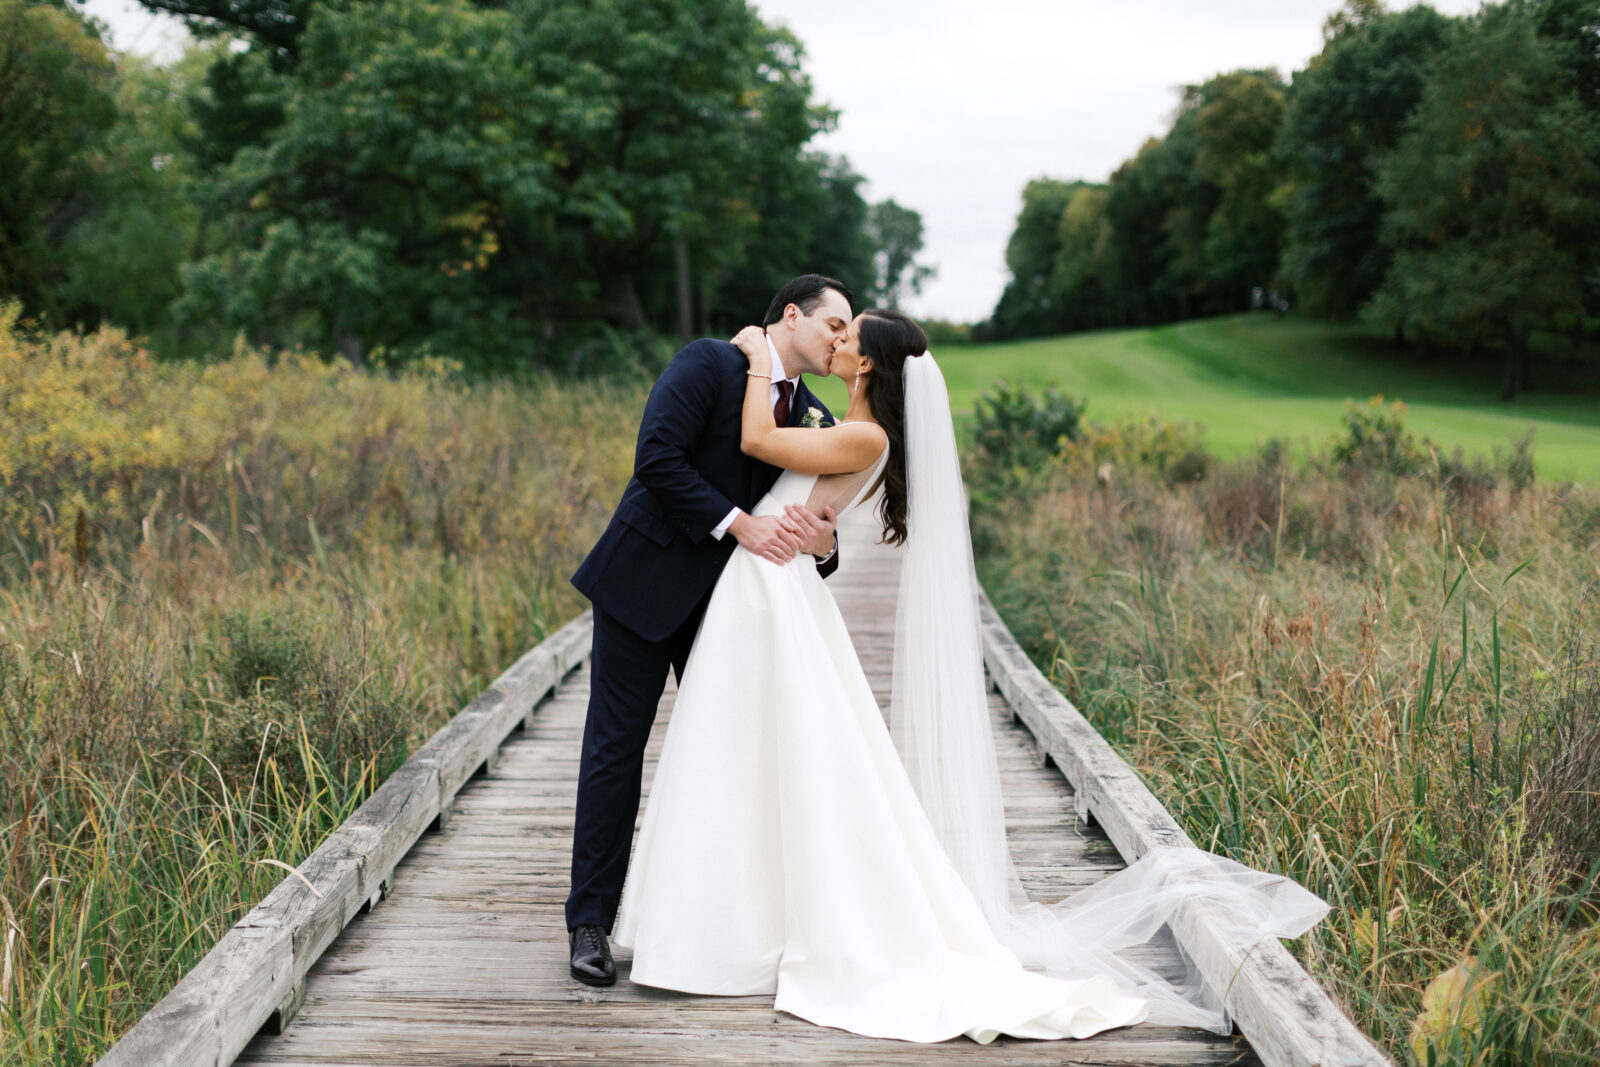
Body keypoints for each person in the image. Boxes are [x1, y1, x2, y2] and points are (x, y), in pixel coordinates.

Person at [609, 309, 1331, 1043]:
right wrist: (818, 527)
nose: (839, 337)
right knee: (743, 749)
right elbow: (785, 480)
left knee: (759, 746)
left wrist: (760, 351)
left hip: (769, 588)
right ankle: (727, 917)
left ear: (866, 364)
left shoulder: (864, 434)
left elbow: (757, 439)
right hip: (762, 583)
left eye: (849, 332)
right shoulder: (842, 422)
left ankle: (731, 929)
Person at [566, 275, 854, 986]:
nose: (843, 341)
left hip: (726, 613)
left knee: (723, 760)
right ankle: (590, 923)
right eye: (835, 325)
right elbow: (657, 458)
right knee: (615, 750)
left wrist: (823, 545)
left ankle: (705, 924)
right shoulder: (708, 361)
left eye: (849, 332)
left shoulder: (814, 414)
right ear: (792, 314)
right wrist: (738, 522)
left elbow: (812, 517)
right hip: (642, 585)